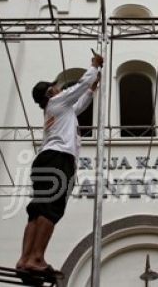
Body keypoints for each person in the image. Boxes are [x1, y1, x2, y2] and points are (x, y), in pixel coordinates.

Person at [16, 52, 103, 275]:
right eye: (56, 87)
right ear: (50, 92)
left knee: (37, 209)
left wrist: (93, 88)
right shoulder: (56, 102)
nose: (60, 89)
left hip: (45, 159)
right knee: (51, 208)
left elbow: (80, 103)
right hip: (58, 158)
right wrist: (93, 66)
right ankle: (36, 258)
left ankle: (25, 258)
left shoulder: (56, 110)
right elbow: (79, 88)